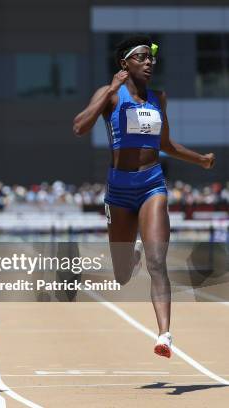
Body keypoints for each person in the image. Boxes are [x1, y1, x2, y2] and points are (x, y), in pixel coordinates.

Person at [73, 35, 215, 358]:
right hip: (119, 191)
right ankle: (130, 256)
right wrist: (109, 90)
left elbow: (166, 145)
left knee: (157, 262)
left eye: (151, 58)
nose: (149, 62)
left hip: (152, 185)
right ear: (125, 64)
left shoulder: (158, 99)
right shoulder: (110, 96)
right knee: (122, 275)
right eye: (141, 57)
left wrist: (200, 159)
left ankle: (164, 334)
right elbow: (79, 127)